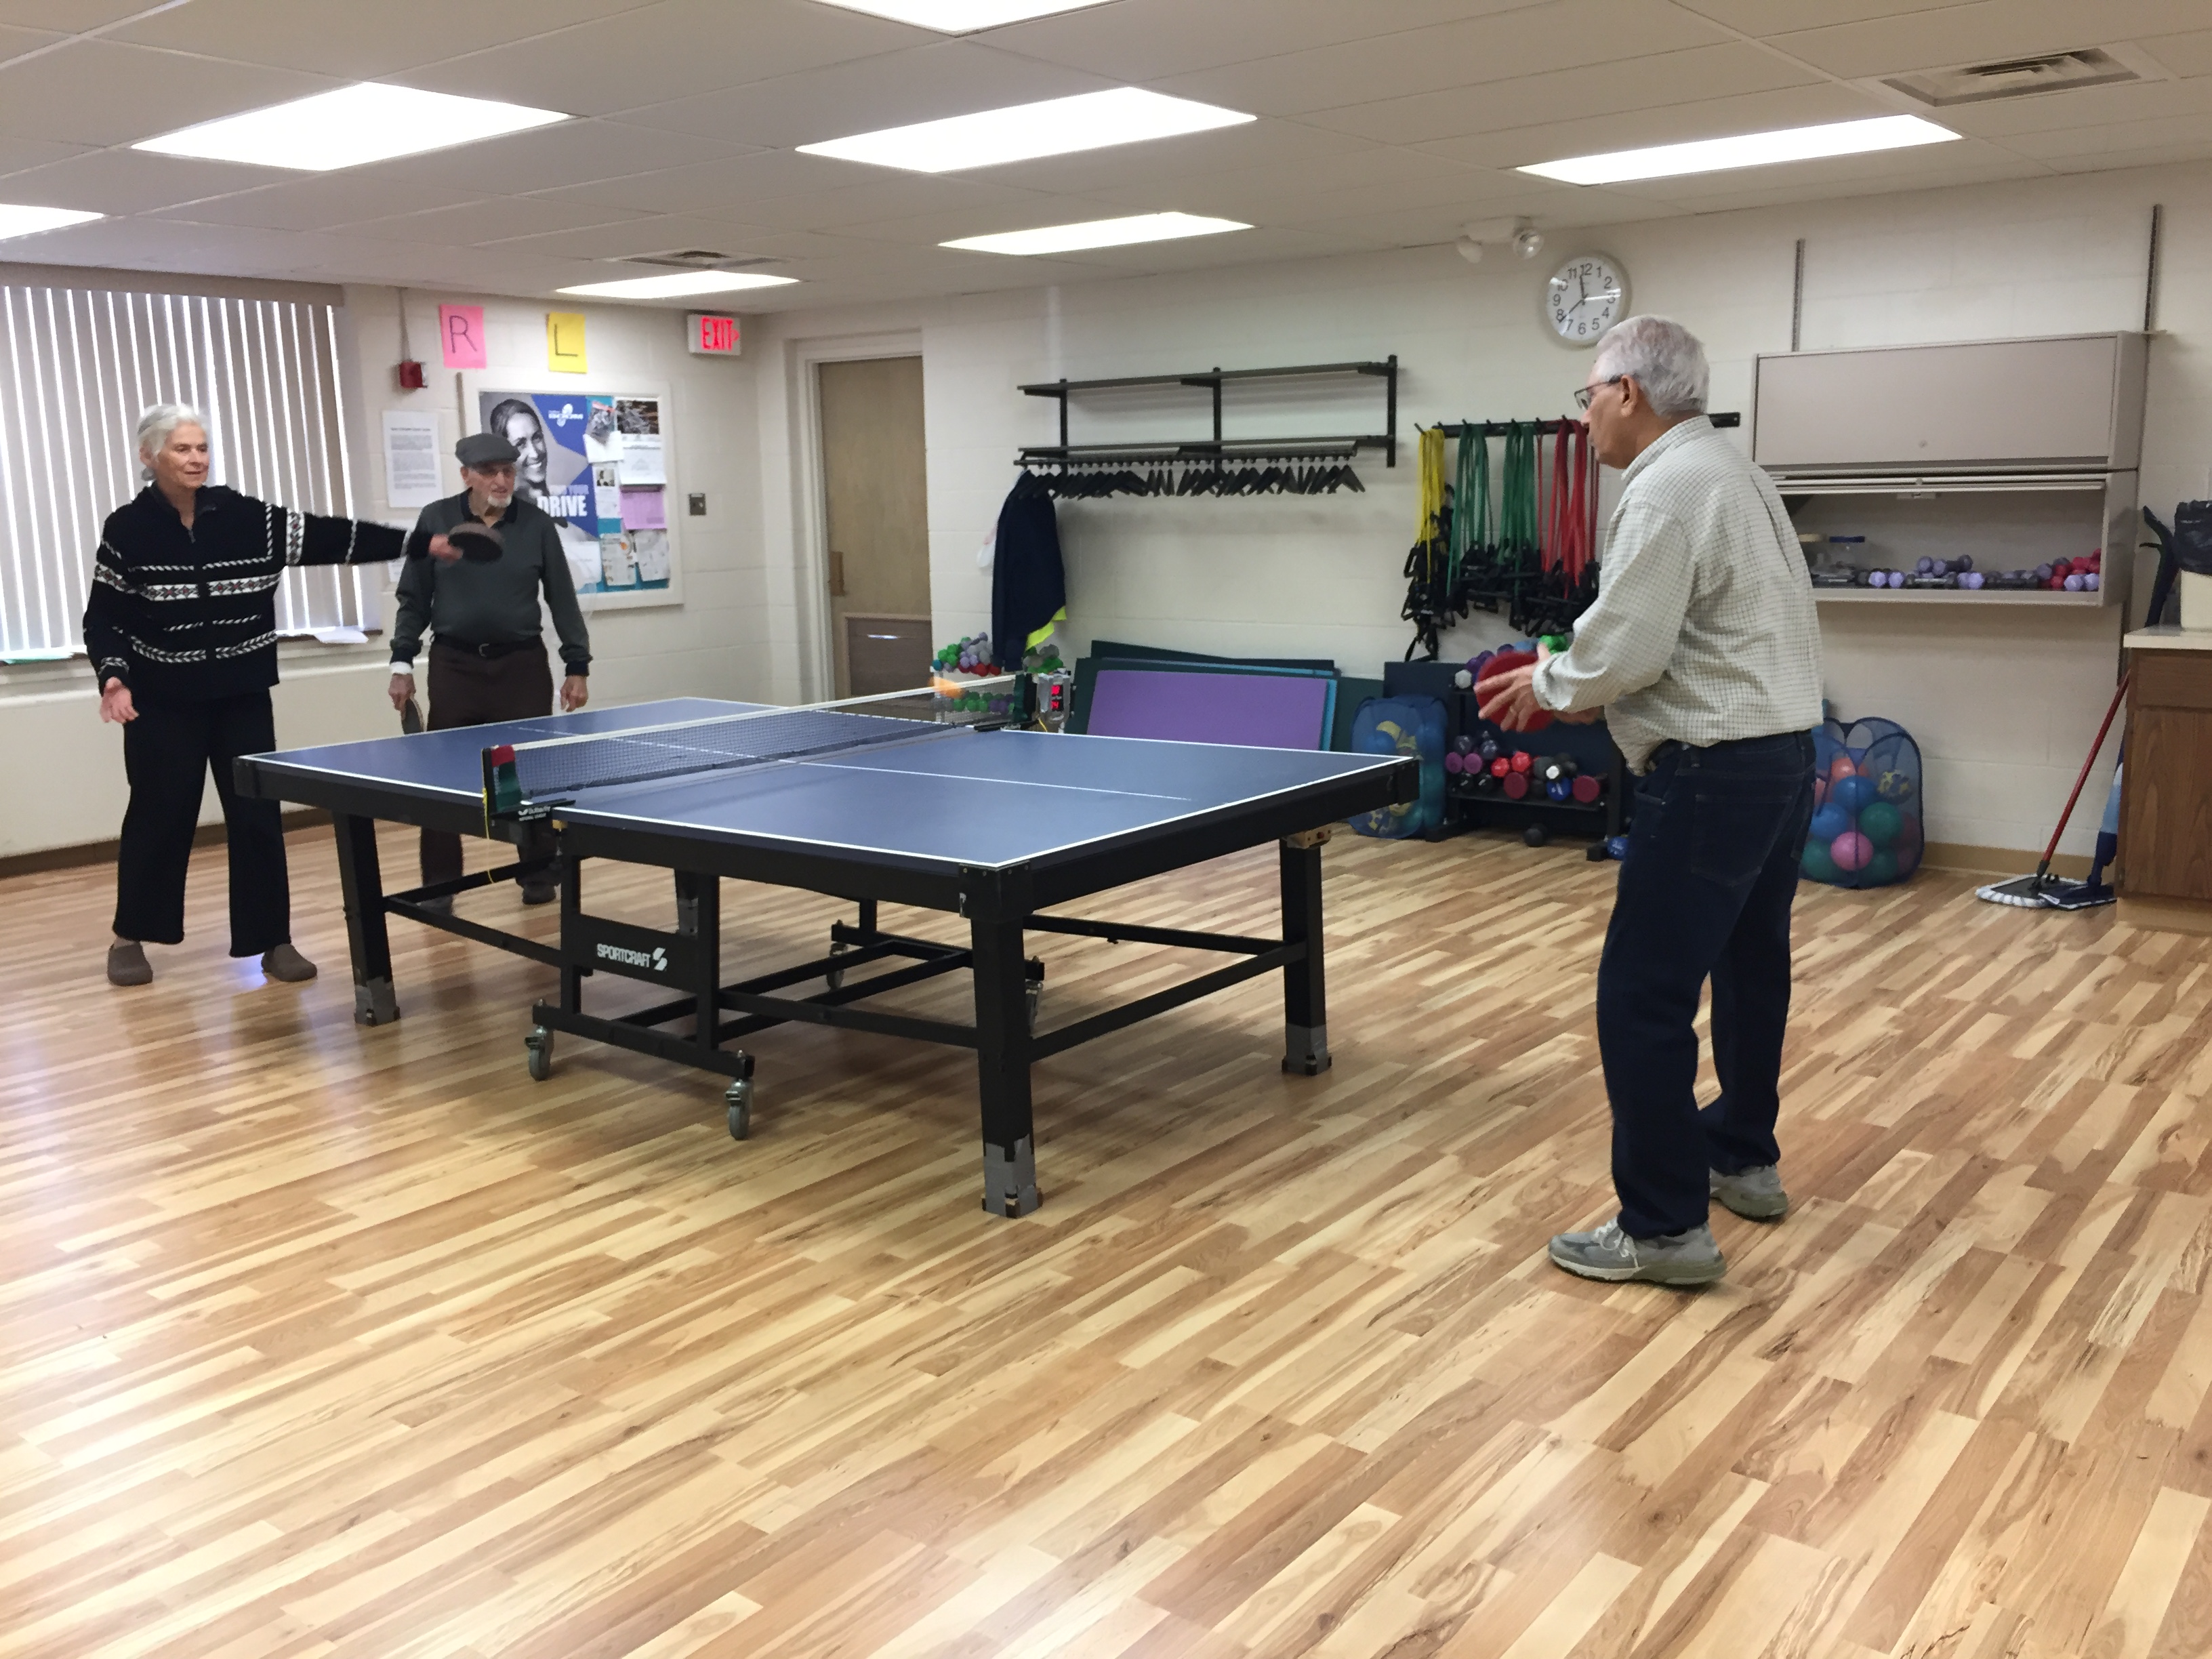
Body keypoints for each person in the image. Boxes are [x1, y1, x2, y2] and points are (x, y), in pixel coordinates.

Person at [1477, 316, 1823, 1288]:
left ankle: (1665, 1227)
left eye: (1586, 396)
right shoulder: (1740, 474)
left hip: (1712, 775)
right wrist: (1572, 672)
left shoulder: (1665, 489)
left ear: (1628, 392)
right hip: (1784, 759)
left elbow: (1627, 649)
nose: (1584, 417)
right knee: (1753, 972)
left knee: (1642, 997)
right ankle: (1743, 1160)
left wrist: (1548, 684)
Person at [85, 404, 453, 987]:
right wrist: (114, 676)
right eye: (183, 449)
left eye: (202, 447)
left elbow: (337, 536)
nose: (197, 458)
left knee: (257, 817)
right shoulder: (127, 529)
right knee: (158, 817)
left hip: (242, 696)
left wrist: (421, 543)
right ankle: (131, 934)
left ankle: (273, 941)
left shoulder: (249, 519)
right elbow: (103, 616)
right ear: (149, 456)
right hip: (162, 701)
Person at [390, 431, 591, 909]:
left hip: (521, 664)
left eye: (508, 471)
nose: (502, 480)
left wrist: (577, 664)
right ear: (466, 476)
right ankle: (440, 885)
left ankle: (538, 872)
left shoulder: (536, 525)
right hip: (454, 664)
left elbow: (561, 597)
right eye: (490, 472)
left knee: (525, 776)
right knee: (442, 778)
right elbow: (413, 598)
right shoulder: (436, 519)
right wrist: (401, 661)